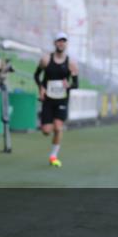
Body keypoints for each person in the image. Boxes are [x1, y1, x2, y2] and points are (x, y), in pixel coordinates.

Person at [34, 32, 79, 167]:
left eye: (63, 41)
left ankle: (53, 156)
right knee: (46, 131)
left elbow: (76, 84)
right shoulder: (46, 59)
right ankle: (50, 126)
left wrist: (69, 85)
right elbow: (36, 75)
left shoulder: (71, 63)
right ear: (55, 43)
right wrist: (41, 87)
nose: (61, 43)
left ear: (66, 44)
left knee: (58, 128)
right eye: (59, 41)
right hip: (48, 99)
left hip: (62, 100)